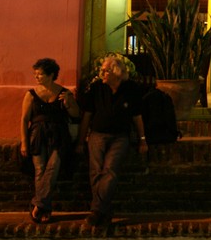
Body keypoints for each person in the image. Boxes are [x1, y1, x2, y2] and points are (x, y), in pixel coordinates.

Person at [76, 54, 147, 227]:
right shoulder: (97, 88)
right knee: (96, 171)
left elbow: (137, 116)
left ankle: (96, 210)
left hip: (120, 136)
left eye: (105, 70)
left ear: (116, 72)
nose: (102, 73)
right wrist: (80, 140)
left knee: (110, 170)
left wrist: (142, 139)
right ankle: (103, 212)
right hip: (97, 134)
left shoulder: (130, 89)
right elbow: (87, 115)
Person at [20, 57, 80, 224]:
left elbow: (76, 114)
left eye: (40, 74)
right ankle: (45, 207)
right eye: (35, 74)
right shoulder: (31, 94)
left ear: (51, 74)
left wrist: (68, 103)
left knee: (52, 169)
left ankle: (38, 205)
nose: (36, 77)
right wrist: (24, 142)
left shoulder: (63, 93)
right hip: (38, 135)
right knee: (39, 169)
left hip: (59, 135)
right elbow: (24, 119)